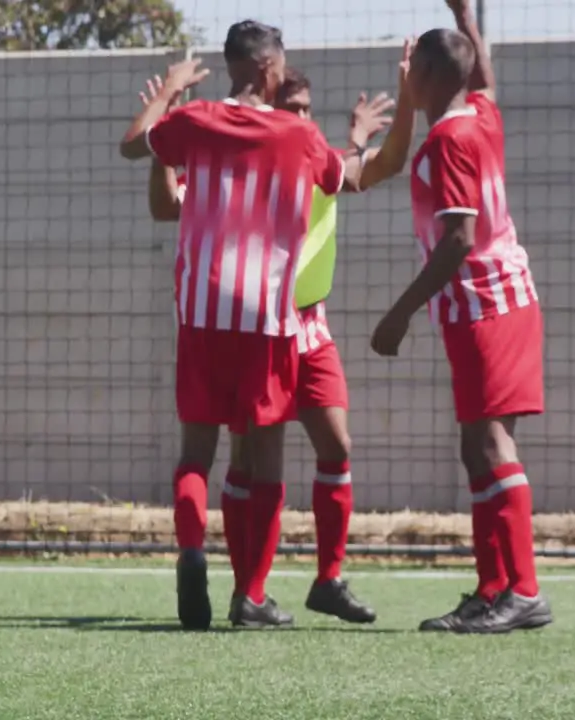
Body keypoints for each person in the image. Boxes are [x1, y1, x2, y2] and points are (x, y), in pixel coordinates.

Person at [119, 20, 392, 630]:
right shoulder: (296, 135)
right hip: (265, 314)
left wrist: (170, 90)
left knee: (196, 454)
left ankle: (192, 552)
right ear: (270, 70)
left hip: (200, 312)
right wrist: (375, 142)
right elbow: (346, 176)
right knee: (264, 455)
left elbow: (134, 143)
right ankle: (254, 596)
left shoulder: (197, 122)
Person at [370, 0, 553, 634]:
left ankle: (522, 591)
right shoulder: (479, 114)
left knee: (488, 443)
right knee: (478, 445)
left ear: (423, 76)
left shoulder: (449, 140)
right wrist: (466, 20)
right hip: (504, 300)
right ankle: (494, 585)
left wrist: (397, 314)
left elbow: (457, 240)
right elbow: (484, 77)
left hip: (483, 303)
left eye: (411, 66)